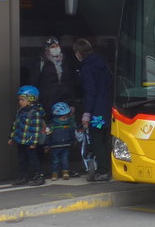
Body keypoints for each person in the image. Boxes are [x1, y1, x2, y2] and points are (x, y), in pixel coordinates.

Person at [34, 37, 82, 174]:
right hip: (47, 104)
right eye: (52, 46)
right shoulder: (42, 62)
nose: (55, 48)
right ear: (47, 48)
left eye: (57, 45)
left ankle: (65, 168)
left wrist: (72, 103)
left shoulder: (65, 62)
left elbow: (70, 84)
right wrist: (38, 104)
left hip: (64, 105)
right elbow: (35, 82)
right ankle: (49, 168)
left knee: (65, 135)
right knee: (48, 136)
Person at [75, 38, 112, 182]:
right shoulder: (103, 64)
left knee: (97, 140)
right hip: (107, 108)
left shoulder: (87, 68)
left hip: (96, 111)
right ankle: (108, 167)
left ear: (79, 53)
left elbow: (91, 92)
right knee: (106, 139)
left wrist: (86, 113)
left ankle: (103, 171)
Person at [8, 85, 46, 186]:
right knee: (22, 160)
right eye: (19, 100)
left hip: (29, 142)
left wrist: (34, 142)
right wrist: (12, 137)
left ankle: (39, 176)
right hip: (21, 141)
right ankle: (23, 176)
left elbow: (36, 129)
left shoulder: (35, 113)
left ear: (31, 99)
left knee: (33, 160)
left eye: (22, 100)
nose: (20, 102)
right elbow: (15, 125)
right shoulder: (20, 111)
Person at [45, 101, 76, 180]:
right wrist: (46, 145)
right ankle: (55, 173)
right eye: (63, 117)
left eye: (66, 117)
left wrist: (73, 141)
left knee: (65, 159)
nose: (65, 119)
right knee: (55, 160)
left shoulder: (69, 124)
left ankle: (65, 172)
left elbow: (72, 133)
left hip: (66, 145)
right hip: (55, 145)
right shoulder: (51, 125)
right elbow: (47, 136)